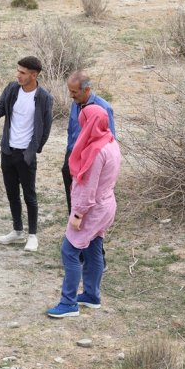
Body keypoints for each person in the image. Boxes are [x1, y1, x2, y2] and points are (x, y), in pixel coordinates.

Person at [47, 104, 121, 318]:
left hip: (92, 209)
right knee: (94, 248)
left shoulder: (95, 152)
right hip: (106, 205)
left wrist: (78, 214)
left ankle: (68, 303)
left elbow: (88, 188)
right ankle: (91, 295)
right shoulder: (110, 142)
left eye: (84, 122)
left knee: (69, 251)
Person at [0, 56, 53, 252]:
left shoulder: (44, 97)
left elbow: (46, 128)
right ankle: (17, 231)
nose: (17, 75)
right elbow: (0, 108)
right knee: (12, 193)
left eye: (22, 72)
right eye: (18, 71)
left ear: (33, 75)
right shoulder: (12, 89)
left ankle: (32, 235)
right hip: (8, 151)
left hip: (26, 154)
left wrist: (34, 149)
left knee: (29, 195)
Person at [62, 71, 116, 271]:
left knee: (91, 215)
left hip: (91, 164)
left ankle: (96, 259)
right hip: (74, 162)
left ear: (87, 90)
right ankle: (80, 251)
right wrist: (69, 159)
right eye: (70, 91)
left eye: (74, 92)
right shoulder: (75, 104)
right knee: (74, 206)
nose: (71, 96)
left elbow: (109, 138)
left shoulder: (103, 108)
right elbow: (72, 132)